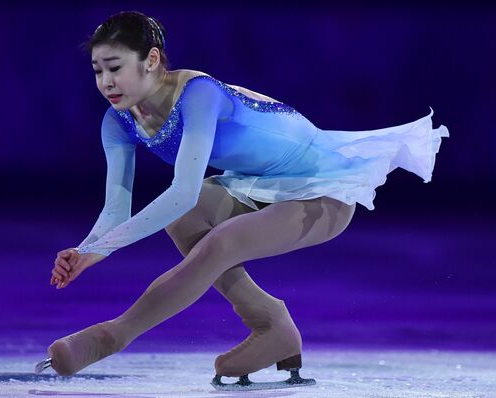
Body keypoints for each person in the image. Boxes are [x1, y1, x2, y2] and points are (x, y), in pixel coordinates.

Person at [46, 10, 449, 383]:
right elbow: (116, 207)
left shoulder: (198, 95)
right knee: (185, 221)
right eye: (98, 71)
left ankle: (115, 335)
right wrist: (86, 249)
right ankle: (270, 322)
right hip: (255, 186)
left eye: (115, 69)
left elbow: (182, 191)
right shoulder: (118, 122)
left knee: (220, 238)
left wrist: (104, 250)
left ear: (151, 60)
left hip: (322, 192)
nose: (106, 83)